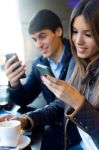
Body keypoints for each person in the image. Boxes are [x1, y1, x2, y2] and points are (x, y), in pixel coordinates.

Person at [3, 9, 72, 150]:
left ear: (58, 31)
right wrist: (14, 83)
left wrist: (28, 119)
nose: (38, 45)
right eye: (34, 39)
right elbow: (24, 98)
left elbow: (64, 104)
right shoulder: (39, 64)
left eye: (42, 36)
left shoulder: (76, 59)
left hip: (76, 132)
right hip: (53, 130)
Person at [40, 0, 99, 149]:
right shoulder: (79, 63)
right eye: (74, 31)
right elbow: (61, 103)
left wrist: (78, 103)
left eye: (88, 34)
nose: (78, 41)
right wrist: (28, 119)